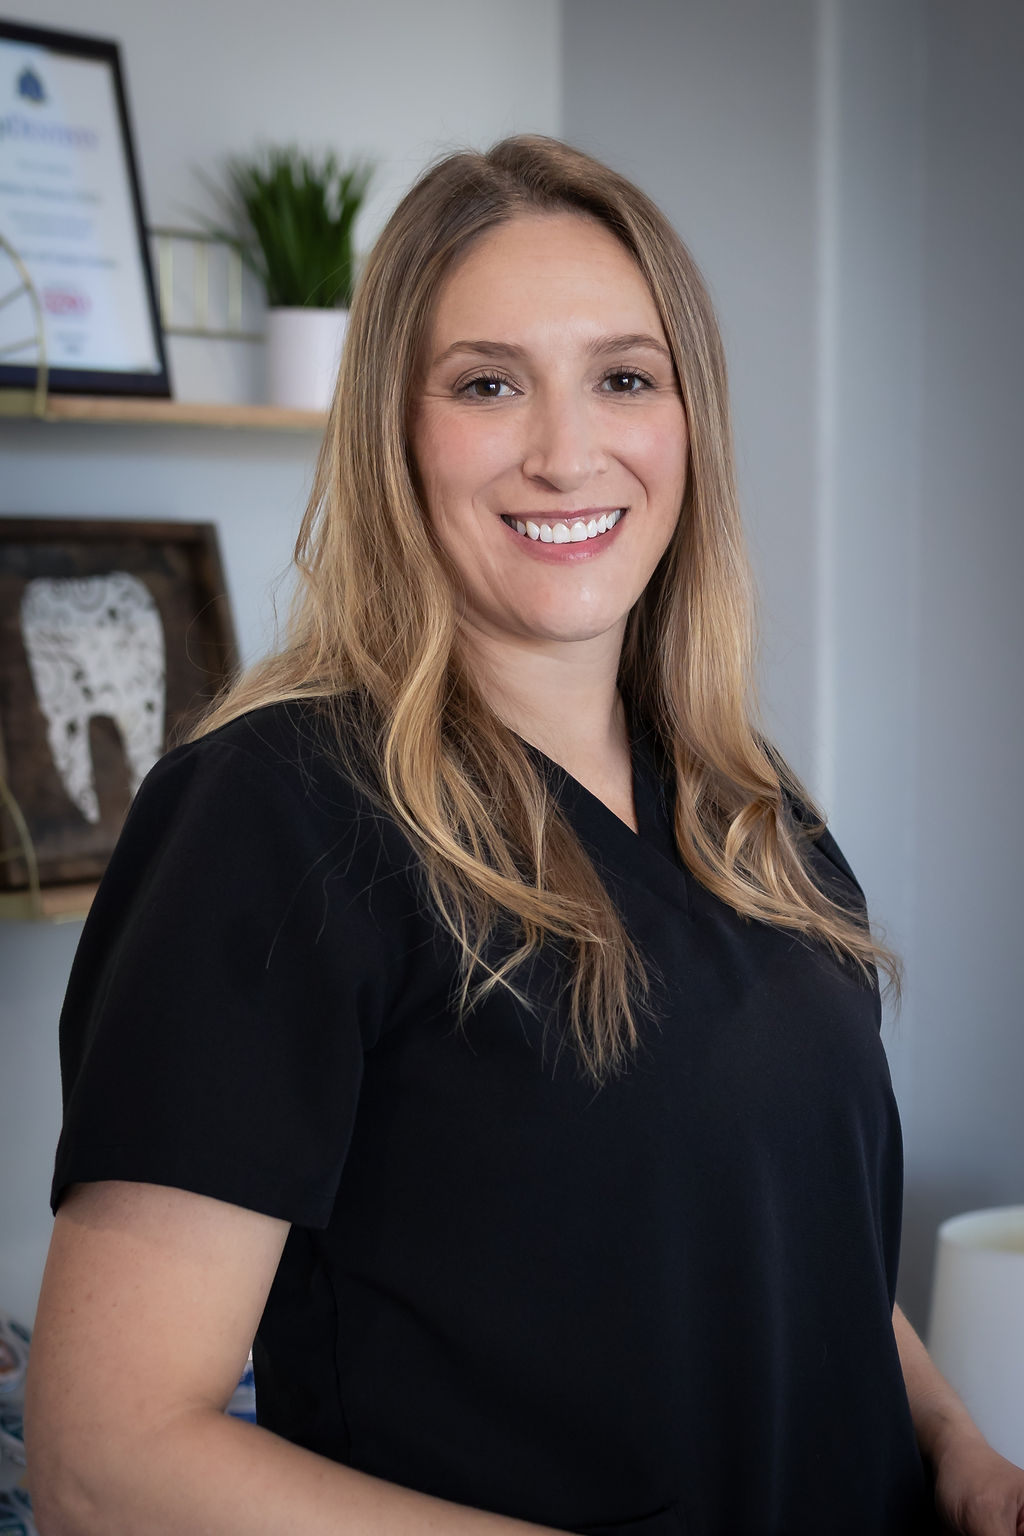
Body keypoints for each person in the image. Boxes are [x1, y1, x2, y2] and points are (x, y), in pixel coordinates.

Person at [24, 135, 1024, 1536]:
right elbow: (101, 1463)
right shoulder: (274, 813)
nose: (568, 452)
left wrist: (954, 1440)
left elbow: (775, 1242)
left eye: (624, 377)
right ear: (394, 432)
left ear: (690, 423)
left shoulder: (746, 804)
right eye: (488, 385)